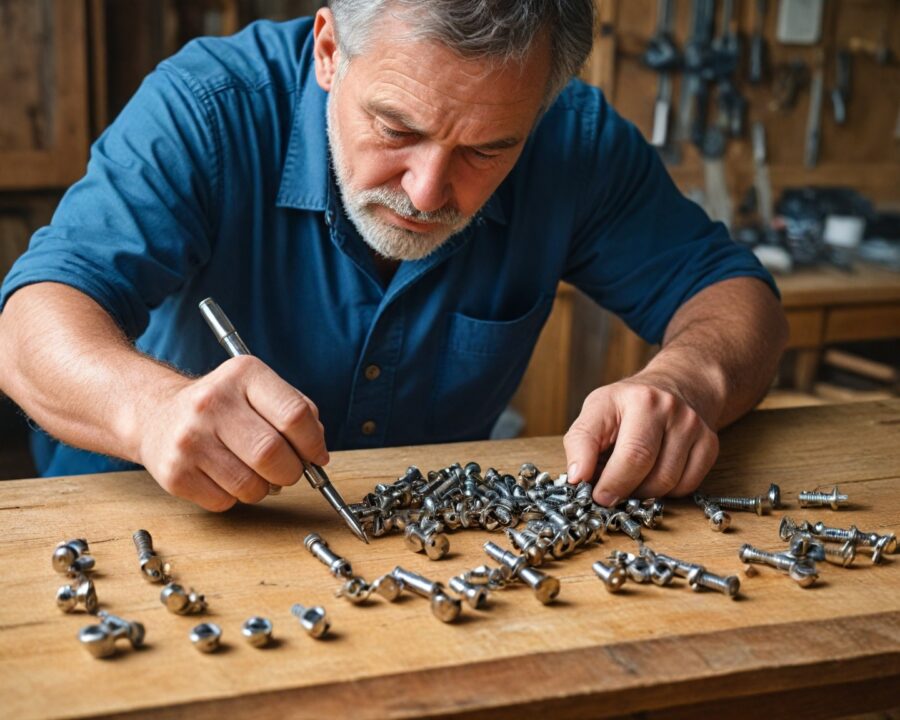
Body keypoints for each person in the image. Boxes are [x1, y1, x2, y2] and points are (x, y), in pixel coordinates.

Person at [0, 1, 787, 512]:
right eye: (397, 129)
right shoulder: (207, 107)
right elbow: (31, 321)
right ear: (329, 49)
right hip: (138, 521)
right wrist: (150, 411)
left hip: (416, 544)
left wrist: (688, 380)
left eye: (487, 149)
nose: (428, 189)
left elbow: (731, 292)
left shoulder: (574, 140)